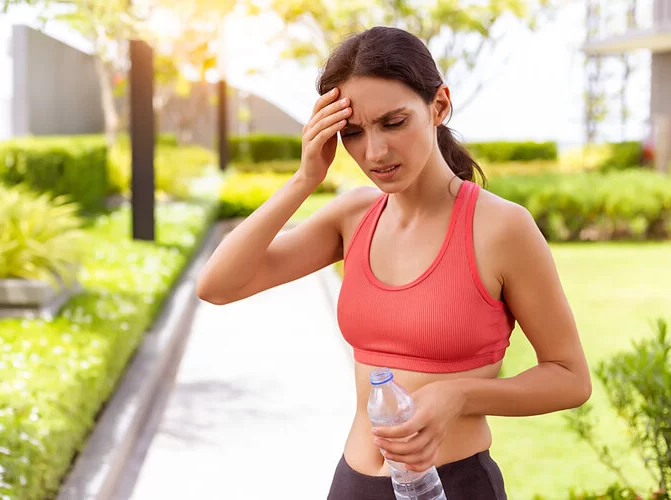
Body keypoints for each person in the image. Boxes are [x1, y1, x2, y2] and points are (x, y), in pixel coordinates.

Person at [196, 26, 592, 499]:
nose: (374, 152)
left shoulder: (501, 228)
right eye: (353, 133)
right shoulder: (354, 217)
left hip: (455, 486)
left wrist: (460, 395)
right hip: (353, 484)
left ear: (439, 105)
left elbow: (570, 378)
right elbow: (217, 285)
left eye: (393, 122)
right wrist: (305, 179)